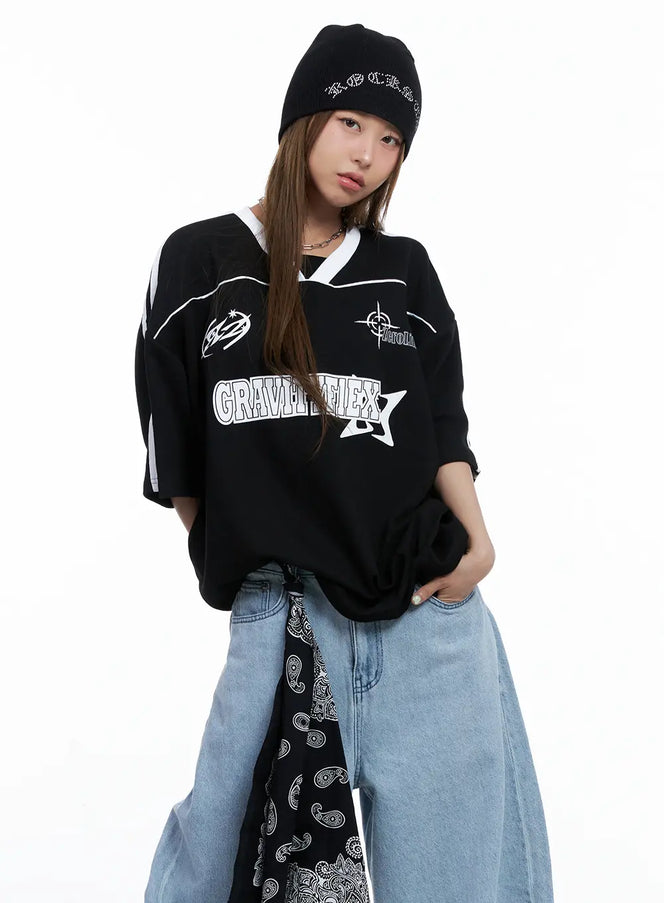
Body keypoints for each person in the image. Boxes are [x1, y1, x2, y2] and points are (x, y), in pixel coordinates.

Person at [134, 22, 555, 903]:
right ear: (304, 120)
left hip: (428, 631)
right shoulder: (197, 262)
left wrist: (479, 544)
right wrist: (246, 559)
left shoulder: (404, 272)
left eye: (392, 138)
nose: (369, 154)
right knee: (207, 877)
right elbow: (175, 456)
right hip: (283, 625)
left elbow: (442, 429)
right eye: (352, 122)